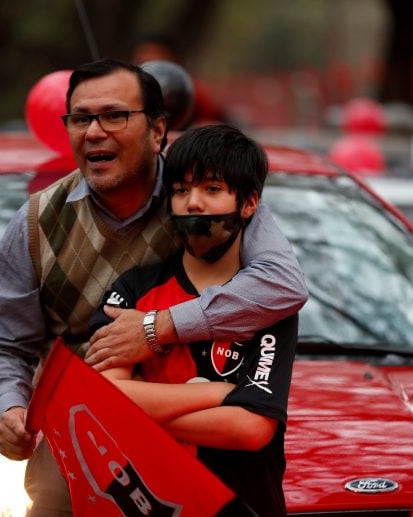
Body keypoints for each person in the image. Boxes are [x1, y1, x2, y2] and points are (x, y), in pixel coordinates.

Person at [0, 58, 308, 515]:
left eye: (114, 115)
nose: (94, 132)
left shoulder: (204, 195)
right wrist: (11, 411)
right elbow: (3, 341)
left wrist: (157, 327)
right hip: (81, 421)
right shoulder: (36, 222)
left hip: (202, 420)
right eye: (80, 118)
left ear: (157, 133)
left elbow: (283, 285)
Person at [90, 124, 298, 516]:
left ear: (250, 203)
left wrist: (140, 411)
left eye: (212, 190)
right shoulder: (133, 289)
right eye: (181, 190)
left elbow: (251, 429)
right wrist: (221, 393)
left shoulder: (266, 305)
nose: (194, 203)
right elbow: (105, 401)